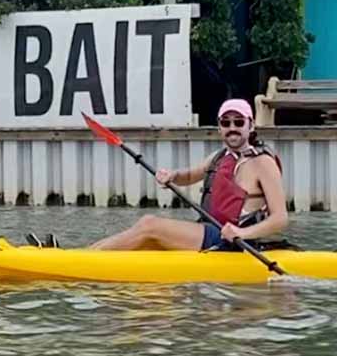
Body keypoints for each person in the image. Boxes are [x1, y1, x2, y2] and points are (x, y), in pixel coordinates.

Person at [88, 98, 289, 251]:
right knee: (146, 230)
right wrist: (172, 176)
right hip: (211, 232)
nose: (232, 128)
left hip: (235, 241)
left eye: (238, 122)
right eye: (226, 123)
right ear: (219, 128)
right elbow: (189, 176)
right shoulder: (218, 158)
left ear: (251, 126)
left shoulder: (263, 163)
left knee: (150, 225)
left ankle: (85, 259)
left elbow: (280, 218)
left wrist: (241, 232)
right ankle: (80, 254)